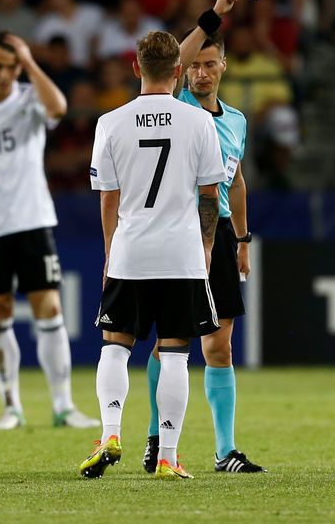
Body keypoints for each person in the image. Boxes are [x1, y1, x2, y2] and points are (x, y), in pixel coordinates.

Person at [79, 31, 226, 480]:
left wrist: (110, 253)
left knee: (115, 346)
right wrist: (205, 246)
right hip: (181, 254)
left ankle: (109, 433)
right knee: (177, 353)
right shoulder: (199, 120)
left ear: (136, 68)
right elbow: (208, 194)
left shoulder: (110, 122)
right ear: (179, 71)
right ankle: (167, 455)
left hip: (131, 250)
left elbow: (108, 198)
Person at [0, 32, 99, 431]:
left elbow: (60, 107)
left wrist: (30, 61)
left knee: (50, 309)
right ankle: (11, 406)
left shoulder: (31, 99)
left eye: (12, 66)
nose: (5, 73)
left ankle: (63, 406)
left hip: (33, 220)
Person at [139, 0, 266, 475]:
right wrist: (214, 15)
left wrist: (243, 240)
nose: (200, 71)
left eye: (210, 64)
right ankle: (155, 437)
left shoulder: (235, 120)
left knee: (220, 344)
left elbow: (237, 182)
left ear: (224, 67)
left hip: (222, 236)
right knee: (170, 341)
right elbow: (170, 62)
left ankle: (224, 450)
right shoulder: (178, 108)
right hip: (177, 232)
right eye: (194, 65)